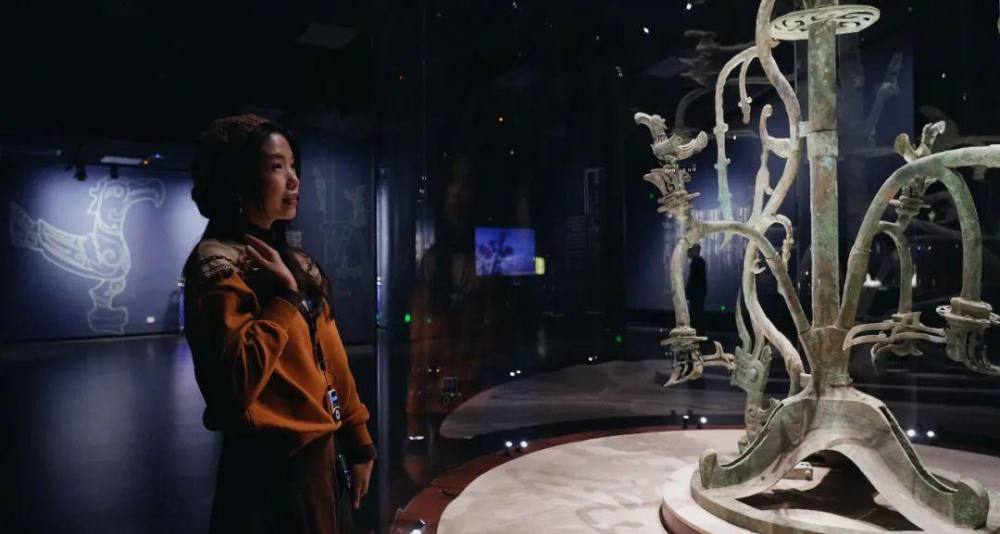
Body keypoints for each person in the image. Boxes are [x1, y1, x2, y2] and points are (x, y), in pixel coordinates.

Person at [182, 114, 374, 534]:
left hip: (321, 461)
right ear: (239, 180)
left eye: (293, 166)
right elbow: (235, 382)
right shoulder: (217, 266)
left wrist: (359, 442)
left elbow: (333, 361)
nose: (294, 180)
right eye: (276, 166)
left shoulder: (298, 263)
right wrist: (285, 298)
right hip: (269, 478)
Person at [686, 243, 707, 334]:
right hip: (699, 294)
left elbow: (693, 280)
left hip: (696, 294)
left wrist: (688, 292)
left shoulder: (696, 263)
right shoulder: (700, 262)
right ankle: (699, 332)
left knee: (695, 314)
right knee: (698, 314)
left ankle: (697, 332)